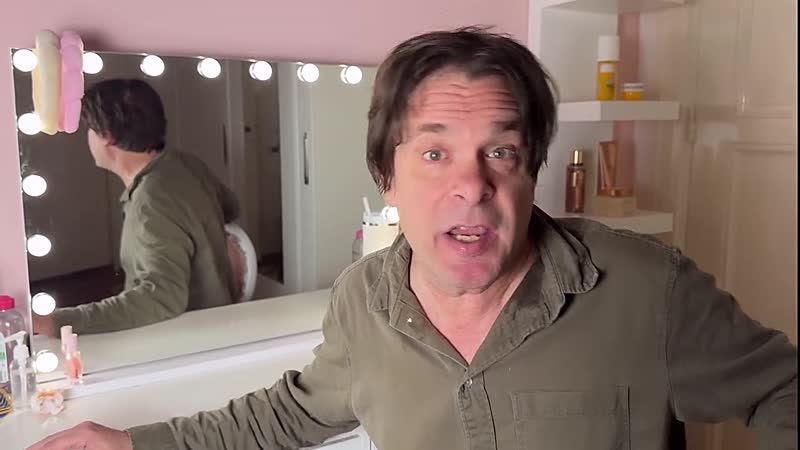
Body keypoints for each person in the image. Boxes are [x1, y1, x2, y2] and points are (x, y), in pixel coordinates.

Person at [29, 27, 797, 450]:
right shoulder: (362, 301)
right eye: (434, 154)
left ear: (530, 170)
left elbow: (782, 390)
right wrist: (137, 445)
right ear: (386, 179)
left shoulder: (644, 287)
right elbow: (292, 413)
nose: (472, 184)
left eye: (501, 151)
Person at [33, 78, 241, 336]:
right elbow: (230, 207)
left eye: (90, 130)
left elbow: (162, 297)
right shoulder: (184, 164)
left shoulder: (152, 200)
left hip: (184, 337)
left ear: (107, 136)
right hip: (216, 321)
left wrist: (59, 322)